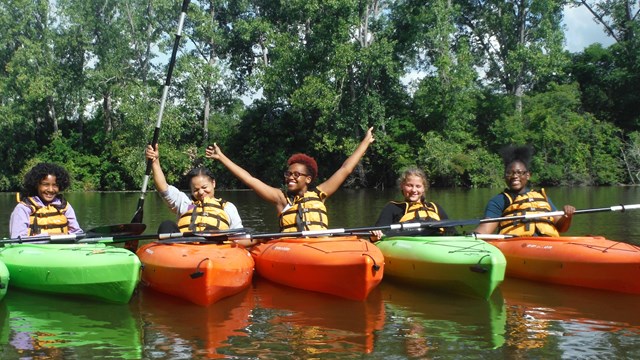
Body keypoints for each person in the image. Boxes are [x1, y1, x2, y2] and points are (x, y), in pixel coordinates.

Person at [206, 127, 375, 233]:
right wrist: (221, 157)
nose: (290, 178)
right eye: (288, 174)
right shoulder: (281, 199)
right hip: (293, 249)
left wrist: (366, 142)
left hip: (322, 247)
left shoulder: (319, 194)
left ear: (308, 179)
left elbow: (345, 169)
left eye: (296, 175)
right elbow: (250, 179)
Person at [474, 145, 575, 236]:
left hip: (550, 243)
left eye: (519, 173)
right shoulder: (499, 201)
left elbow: (562, 228)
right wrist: (472, 236)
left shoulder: (542, 197)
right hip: (517, 244)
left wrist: (567, 216)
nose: (514, 176)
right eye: (509, 173)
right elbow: (485, 230)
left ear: (528, 175)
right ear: (504, 176)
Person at [145, 144, 243, 233]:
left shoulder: (227, 207)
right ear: (191, 189)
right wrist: (155, 162)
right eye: (196, 190)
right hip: (184, 247)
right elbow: (163, 188)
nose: (201, 192)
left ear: (213, 183)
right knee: (166, 225)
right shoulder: (186, 203)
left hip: (214, 247)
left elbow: (239, 235)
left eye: (204, 187)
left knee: (212, 230)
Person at [370, 166, 452, 241]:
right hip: (407, 243)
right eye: (409, 185)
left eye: (418, 186)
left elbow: (451, 231)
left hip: (436, 241)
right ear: (402, 186)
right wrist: (376, 234)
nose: (413, 190)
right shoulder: (392, 207)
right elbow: (378, 233)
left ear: (424, 188)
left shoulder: (434, 207)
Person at [10, 162, 83, 238]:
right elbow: (17, 239)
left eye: (55, 185)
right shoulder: (23, 208)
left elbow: (77, 233)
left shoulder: (64, 206)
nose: (51, 190)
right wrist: (51, 236)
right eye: (45, 184)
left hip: (62, 248)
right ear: (36, 185)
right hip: (33, 248)